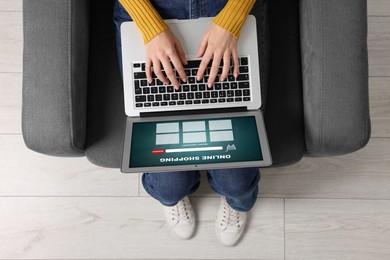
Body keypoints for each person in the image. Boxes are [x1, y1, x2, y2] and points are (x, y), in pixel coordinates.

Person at [113, 0, 260, 247]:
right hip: (151, 11)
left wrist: (232, 19)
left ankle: (235, 202)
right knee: (169, 186)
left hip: (227, 11)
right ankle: (175, 196)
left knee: (237, 184)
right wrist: (151, 28)